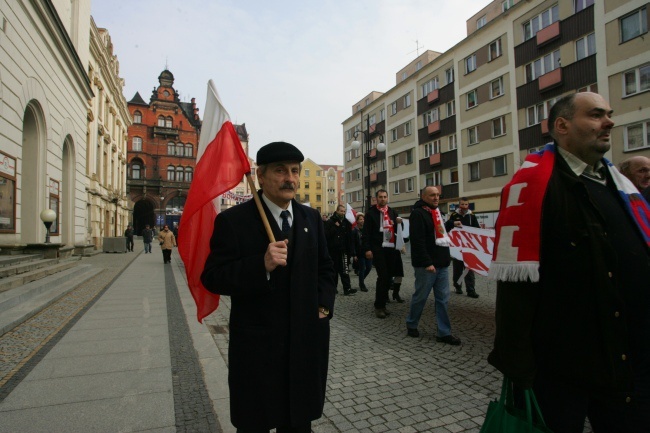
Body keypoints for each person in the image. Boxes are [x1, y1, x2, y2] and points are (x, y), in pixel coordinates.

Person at [488, 92, 650, 432]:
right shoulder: (532, 188)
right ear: (561, 125)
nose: (609, 121)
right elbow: (516, 288)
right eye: (595, 114)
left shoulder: (620, 187)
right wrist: (517, 367)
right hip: (562, 368)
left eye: (609, 113)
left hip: (628, 359)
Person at [201, 141, 336, 433]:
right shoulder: (233, 221)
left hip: (303, 343)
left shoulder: (310, 218)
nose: (290, 178)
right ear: (260, 176)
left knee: (299, 422)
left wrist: (323, 307)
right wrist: (259, 264)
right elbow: (212, 276)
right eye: (280, 171)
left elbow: (326, 268)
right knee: (255, 423)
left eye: (294, 171)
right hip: (258, 349)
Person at [405, 186, 460, 345]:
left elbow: (438, 232)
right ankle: (412, 324)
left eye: (437, 195)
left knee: (443, 300)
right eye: (432, 195)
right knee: (420, 297)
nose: (436, 198)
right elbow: (418, 241)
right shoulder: (418, 214)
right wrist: (427, 262)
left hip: (442, 264)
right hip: (427, 266)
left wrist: (450, 223)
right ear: (423, 196)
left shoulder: (437, 213)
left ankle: (444, 332)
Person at [362, 189, 402, 319]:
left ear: (387, 198)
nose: (383, 199)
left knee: (389, 276)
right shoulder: (370, 213)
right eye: (380, 197)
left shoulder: (392, 212)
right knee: (383, 276)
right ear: (376, 198)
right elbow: (366, 233)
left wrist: (400, 225)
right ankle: (378, 306)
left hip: (390, 249)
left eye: (385, 197)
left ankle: (384, 304)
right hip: (377, 248)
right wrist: (367, 249)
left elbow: (398, 231)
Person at [444, 197, 480, 298]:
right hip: (457, 247)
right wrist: (453, 223)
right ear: (459, 205)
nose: (464, 206)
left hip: (469, 247)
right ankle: (457, 286)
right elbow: (446, 226)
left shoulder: (472, 216)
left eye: (466, 204)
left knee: (469, 269)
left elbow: (477, 230)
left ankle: (471, 290)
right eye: (462, 204)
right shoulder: (454, 215)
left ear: (468, 205)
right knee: (457, 269)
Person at [325, 204, 356, 296]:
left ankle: (347, 288)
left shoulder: (346, 222)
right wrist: (336, 227)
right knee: (334, 270)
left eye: (344, 211)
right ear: (337, 211)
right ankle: (333, 288)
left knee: (345, 270)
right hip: (333, 251)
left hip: (343, 250)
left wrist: (351, 250)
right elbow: (326, 235)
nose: (342, 213)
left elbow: (349, 238)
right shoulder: (330, 221)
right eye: (341, 211)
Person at [351, 213, 371, 292]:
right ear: (357, 221)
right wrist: (354, 254)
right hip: (360, 252)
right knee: (362, 268)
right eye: (360, 219)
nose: (362, 221)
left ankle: (361, 280)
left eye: (363, 219)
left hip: (367, 251)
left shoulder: (367, 229)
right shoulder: (354, 230)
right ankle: (362, 284)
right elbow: (353, 243)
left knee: (369, 267)